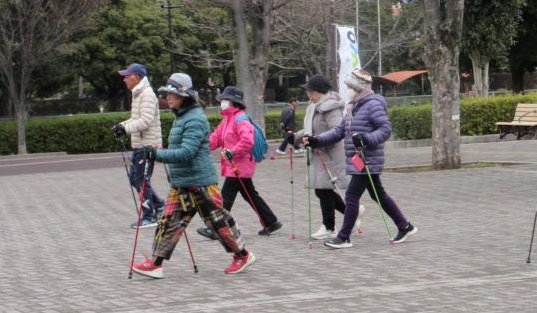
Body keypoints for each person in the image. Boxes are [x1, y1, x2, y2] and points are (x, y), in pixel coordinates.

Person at [131, 73, 255, 278]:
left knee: (218, 223)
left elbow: (186, 153)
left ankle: (242, 255)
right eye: (166, 94)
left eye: (171, 94)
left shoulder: (195, 119)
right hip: (182, 182)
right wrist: (158, 150)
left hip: (201, 182)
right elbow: (178, 148)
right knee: (168, 222)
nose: (167, 98)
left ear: (184, 96)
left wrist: (156, 155)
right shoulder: (182, 117)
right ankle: (155, 264)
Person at [305, 69, 416, 249]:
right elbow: (339, 131)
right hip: (358, 159)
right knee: (378, 194)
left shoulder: (373, 104)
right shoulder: (352, 106)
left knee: (351, 196)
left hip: (368, 158)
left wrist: (366, 138)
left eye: (350, 86)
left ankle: (344, 237)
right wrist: (316, 140)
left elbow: (385, 129)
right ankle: (405, 226)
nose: (348, 89)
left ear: (360, 88)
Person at [196, 86, 282, 239]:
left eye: (225, 99)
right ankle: (271, 221)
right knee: (250, 195)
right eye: (222, 99)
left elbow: (247, 141)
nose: (222, 102)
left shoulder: (240, 119)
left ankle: (217, 228)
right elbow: (215, 138)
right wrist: (199, 147)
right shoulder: (227, 119)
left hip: (239, 166)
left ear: (234, 102)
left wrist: (233, 151)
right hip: (234, 165)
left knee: (225, 197)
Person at [293, 74, 364, 240]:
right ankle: (351, 215)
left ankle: (329, 225)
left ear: (320, 92)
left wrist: (316, 140)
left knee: (323, 190)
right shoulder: (314, 106)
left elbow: (336, 130)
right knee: (321, 190)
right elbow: (312, 130)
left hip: (330, 154)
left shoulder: (330, 107)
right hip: (319, 152)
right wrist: (295, 137)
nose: (308, 95)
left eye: (311, 91)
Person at [112, 62, 164, 229]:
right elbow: (136, 118)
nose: (124, 80)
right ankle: (159, 205)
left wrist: (125, 129)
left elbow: (146, 120)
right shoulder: (138, 93)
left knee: (140, 179)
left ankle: (149, 216)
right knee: (135, 177)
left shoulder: (147, 94)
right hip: (141, 145)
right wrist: (121, 125)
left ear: (135, 77)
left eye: (126, 77)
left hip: (148, 146)